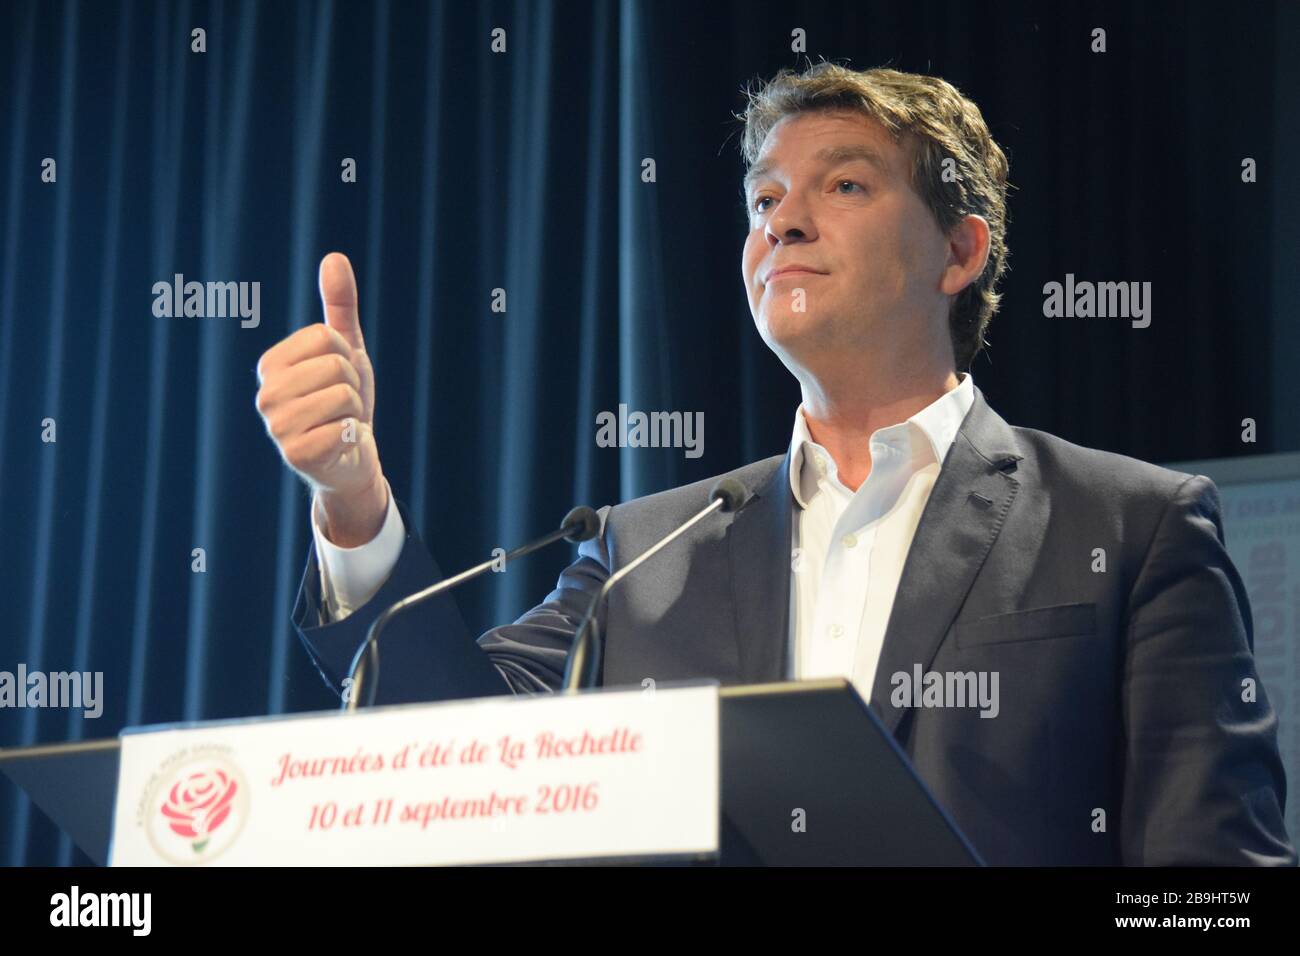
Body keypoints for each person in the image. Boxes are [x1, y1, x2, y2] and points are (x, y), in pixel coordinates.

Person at [254, 62, 1294, 865]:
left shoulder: (1133, 525)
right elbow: (460, 756)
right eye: (762, 200)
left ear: (960, 251)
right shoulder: (643, 548)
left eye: (842, 183)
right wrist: (353, 502)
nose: (782, 219)